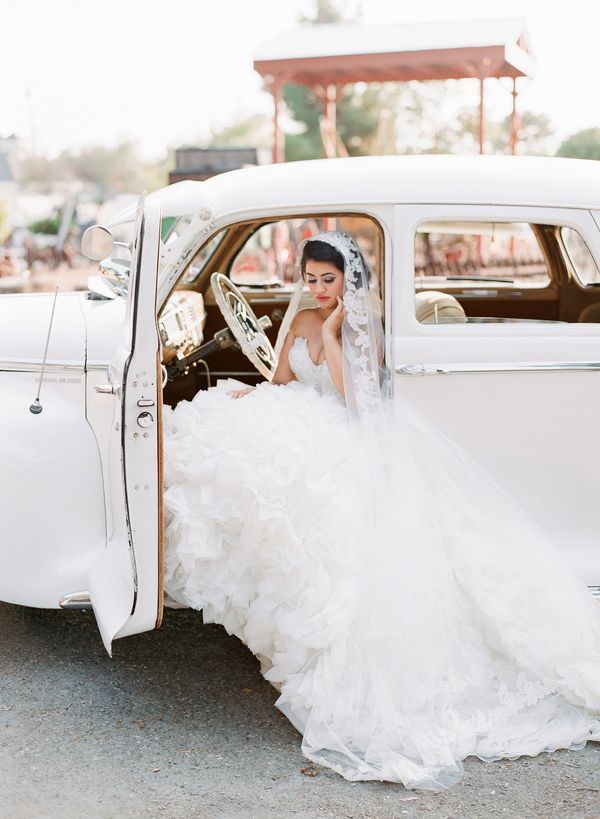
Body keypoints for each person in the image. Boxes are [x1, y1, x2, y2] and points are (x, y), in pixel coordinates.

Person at [163, 231, 600, 791]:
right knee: (222, 447)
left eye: (330, 279)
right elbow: (281, 382)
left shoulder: (361, 327)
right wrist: (253, 392)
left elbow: (356, 404)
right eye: (312, 280)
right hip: (300, 417)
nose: (320, 290)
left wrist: (332, 334)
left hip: (344, 428)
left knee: (308, 504)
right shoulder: (296, 321)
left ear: (350, 279)